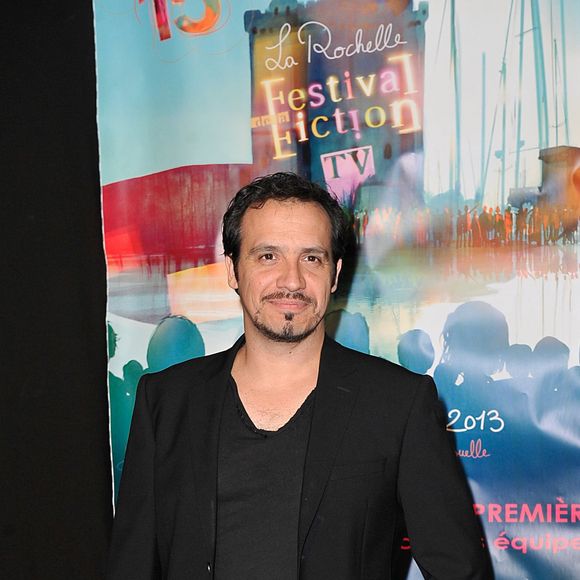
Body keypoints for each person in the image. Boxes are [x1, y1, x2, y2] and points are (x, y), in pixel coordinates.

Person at [106, 172, 492, 580]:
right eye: (268, 256)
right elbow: (130, 565)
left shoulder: (399, 404)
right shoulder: (166, 401)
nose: (292, 281)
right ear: (233, 270)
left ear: (335, 273)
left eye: (311, 258)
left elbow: (460, 570)